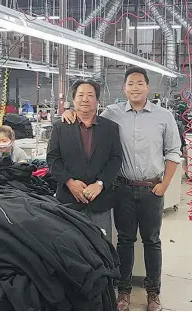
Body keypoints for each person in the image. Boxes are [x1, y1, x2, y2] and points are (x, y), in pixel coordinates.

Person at [60, 67, 181, 311]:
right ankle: (123, 291)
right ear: (123, 88)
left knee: (152, 241)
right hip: (122, 189)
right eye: (130, 84)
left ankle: (153, 292)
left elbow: (173, 153)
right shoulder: (112, 113)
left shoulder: (164, 116)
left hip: (151, 189)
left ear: (148, 87)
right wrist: (69, 111)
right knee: (124, 241)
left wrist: (165, 185)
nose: (134, 88)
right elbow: (88, 116)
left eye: (139, 83)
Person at [46, 79, 122, 238]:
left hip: (100, 201)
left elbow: (115, 159)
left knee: (102, 248)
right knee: (70, 249)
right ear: (74, 100)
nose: (85, 99)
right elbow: (53, 158)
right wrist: (69, 182)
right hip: (69, 200)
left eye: (90, 95)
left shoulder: (110, 128)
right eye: (80, 95)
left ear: (97, 100)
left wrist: (100, 184)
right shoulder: (60, 127)